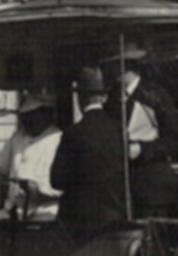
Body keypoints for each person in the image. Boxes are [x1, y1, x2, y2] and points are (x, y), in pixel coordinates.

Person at [106, 46, 178, 219]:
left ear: (128, 66)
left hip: (152, 185)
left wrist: (142, 149)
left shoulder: (155, 96)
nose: (111, 71)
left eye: (115, 65)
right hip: (122, 189)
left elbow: (174, 141)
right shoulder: (112, 100)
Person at [50, 66, 128, 234]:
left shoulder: (74, 133)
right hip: (113, 218)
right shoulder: (119, 130)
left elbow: (56, 179)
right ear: (104, 98)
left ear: (80, 98)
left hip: (78, 221)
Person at [0, 92, 63, 221]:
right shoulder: (17, 138)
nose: (27, 123)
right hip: (13, 211)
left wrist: (40, 191)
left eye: (32, 117)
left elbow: (69, 187)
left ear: (45, 114)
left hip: (46, 212)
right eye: (25, 117)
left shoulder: (59, 139)